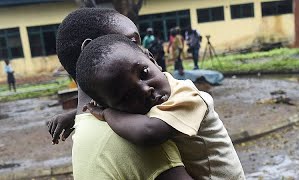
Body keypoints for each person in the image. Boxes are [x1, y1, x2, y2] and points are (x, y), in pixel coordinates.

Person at [48, 8, 192, 179]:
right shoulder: (135, 139)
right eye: (133, 42)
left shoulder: (85, 126)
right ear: (90, 49)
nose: (144, 51)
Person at [77, 34, 245, 180]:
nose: (145, 90)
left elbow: (149, 133)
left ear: (153, 60)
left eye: (144, 73)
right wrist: (74, 116)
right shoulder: (156, 99)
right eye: (127, 96)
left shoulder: (187, 96)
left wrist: (107, 114)